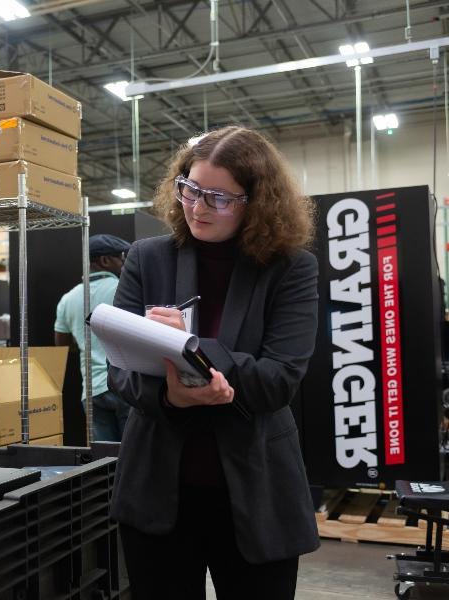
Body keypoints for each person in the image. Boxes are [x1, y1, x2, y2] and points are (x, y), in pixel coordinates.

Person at [108, 126, 320, 600]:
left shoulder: (289, 269)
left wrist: (193, 348)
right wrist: (170, 395)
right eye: (190, 189)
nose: (199, 208)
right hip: (159, 490)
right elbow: (119, 370)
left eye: (219, 198)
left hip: (255, 491)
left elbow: (279, 380)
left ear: (257, 202)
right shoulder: (148, 258)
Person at [54, 234, 132, 441]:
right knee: (131, 456)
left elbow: (61, 344)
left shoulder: (67, 299)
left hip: (91, 390)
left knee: (104, 462)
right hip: (125, 385)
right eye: (120, 258)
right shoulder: (123, 290)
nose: (124, 263)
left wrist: (84, 341)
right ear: (105, 261)